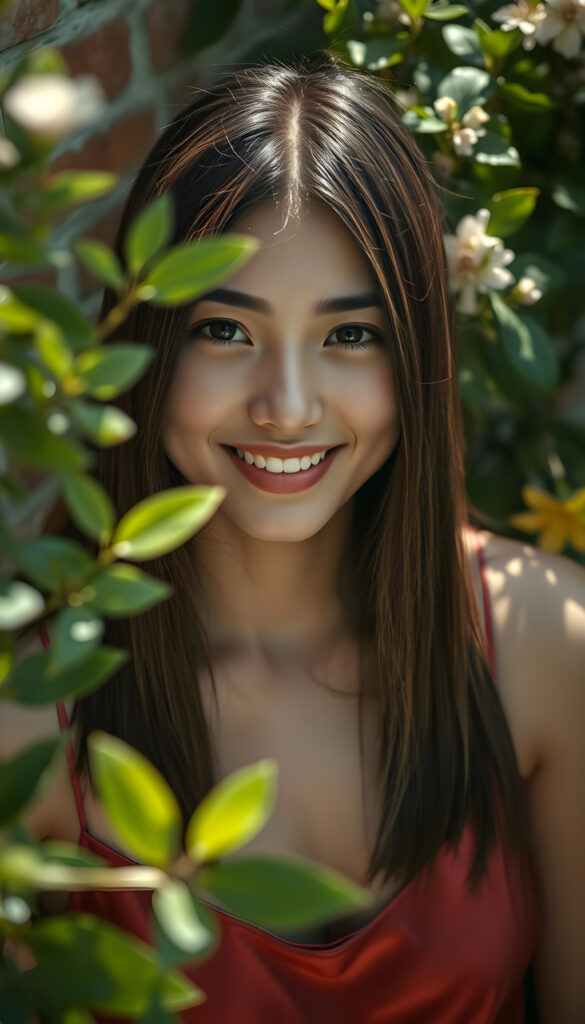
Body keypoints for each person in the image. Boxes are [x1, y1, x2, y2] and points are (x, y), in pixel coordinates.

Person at [4, 52, 585, 1024]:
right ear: (148, 345)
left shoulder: (540, 649)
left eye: (351, 336)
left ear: (419, 359)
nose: (287, 405)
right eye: (226, 331)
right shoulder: (40, 717)